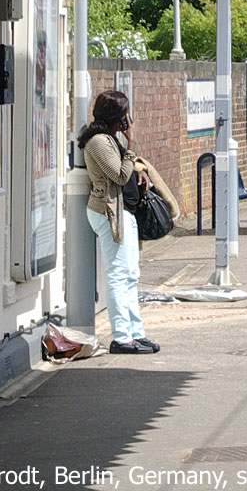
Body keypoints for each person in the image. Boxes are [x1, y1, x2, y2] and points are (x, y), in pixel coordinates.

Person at [77, 90, 159, 355]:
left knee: (131, 275)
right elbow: (119, 175)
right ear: (117, 116)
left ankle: (136, 333)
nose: (128, 118)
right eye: (125, 113)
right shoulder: (99, 142)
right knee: (118, 275)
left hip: (124, 212)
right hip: (109, 212)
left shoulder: (110, 139)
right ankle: (122, 338)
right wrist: (131, 145)